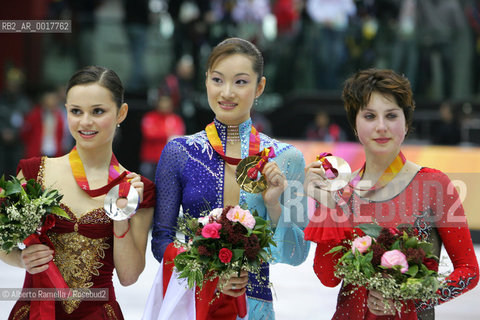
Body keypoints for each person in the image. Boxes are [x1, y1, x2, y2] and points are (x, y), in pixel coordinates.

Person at [144, 37, 310, 320]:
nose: (227, 92)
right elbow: (161, 240)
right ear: (206, 80)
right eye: (218, 80)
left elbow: (298, 253)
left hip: (256, 309)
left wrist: (273, 205)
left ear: (260, 87)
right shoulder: (179, 152)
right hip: (195, 305)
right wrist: (209, 273)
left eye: (241, 82)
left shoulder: (287, 159)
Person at [303, 68, 478, 319]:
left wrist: (409, 300)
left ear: (406, 123)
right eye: (370, 116)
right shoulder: (340, 190)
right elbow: (327, 277)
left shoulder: (434, 185)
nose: (381, 127)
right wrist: (328, 206)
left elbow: (469, 271)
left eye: (392, 115)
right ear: (355, 124)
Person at [0, 66, 155, 319]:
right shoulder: (33, 172)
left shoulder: (138, 189)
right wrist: (21, 259)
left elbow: (129, 276)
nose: (85, 122)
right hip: (35, 312)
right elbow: (2, 238)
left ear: (121, 113)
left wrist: (121, 214)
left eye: (98, 111)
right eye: (76, 111)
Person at [139, 86, 186, 181]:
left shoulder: (176, 119)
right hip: (150, 159)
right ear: (158, 103)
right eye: (162, 101)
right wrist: (167, 133)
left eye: (167, 102)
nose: (165, 104)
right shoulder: (149, 117)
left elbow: (178, 138)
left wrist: (161, 132)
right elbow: (149, 134)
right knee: (147, 187)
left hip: (168, 161)